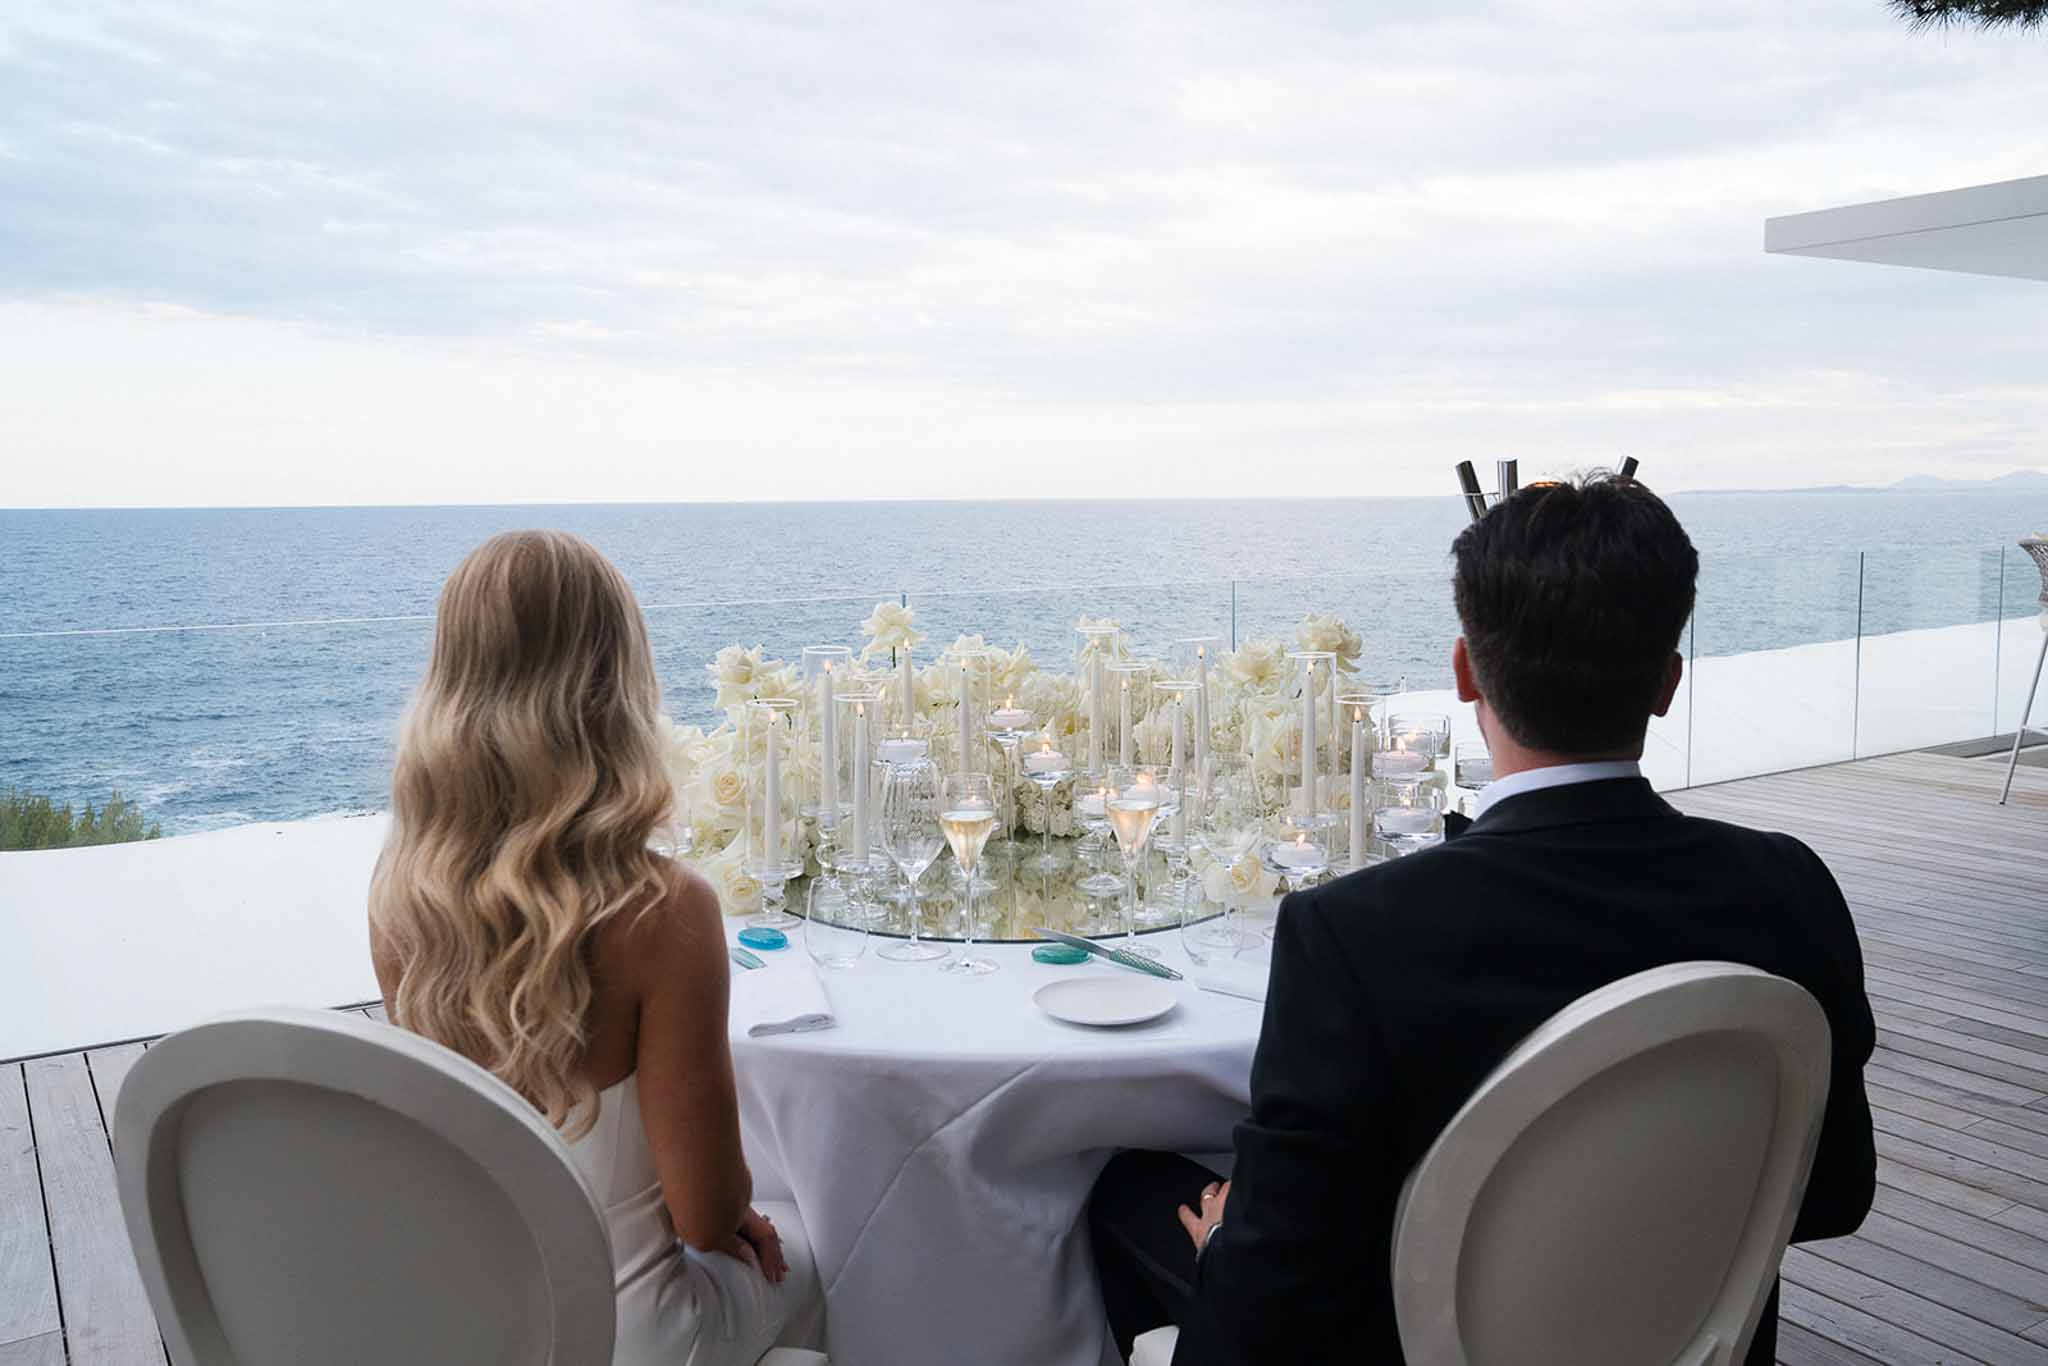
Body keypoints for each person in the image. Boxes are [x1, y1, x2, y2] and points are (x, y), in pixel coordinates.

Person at [1088, 476, 1875, 1365]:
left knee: (1121, 1191)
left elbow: (1274, 1303)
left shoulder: (1352, 934)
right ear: (1667, 683)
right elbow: (1833, 1193)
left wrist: (1229, 1243)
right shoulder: (1790, 887)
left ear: (1464, 672)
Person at [369, 530, 825, 1366]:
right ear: (614, 686)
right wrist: (740, 1213)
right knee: (823, 1252)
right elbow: (704, 1214)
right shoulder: (665, 909)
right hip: (631, 1340)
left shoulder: (403, 895)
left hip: (476, 1327)